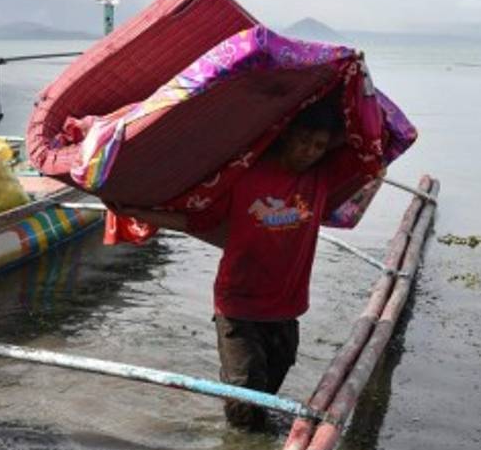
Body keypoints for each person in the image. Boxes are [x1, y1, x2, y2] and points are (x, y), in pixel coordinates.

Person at [110, 99, 362, 430]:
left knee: (268, 387)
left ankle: (248, 435)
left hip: (287, 307)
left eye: (318, 145)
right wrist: (138, 211)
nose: (309, 152)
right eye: (303, 140)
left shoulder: (322, 179)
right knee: (246, 399)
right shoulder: (244, 177)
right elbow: (194, 220)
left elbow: (369, 148)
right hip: (239, 305)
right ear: (286, 135)